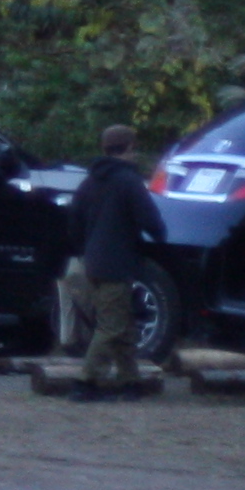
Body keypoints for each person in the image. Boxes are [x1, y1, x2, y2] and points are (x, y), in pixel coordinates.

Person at [65, 125, 168, 398]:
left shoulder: (90, 182)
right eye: (135, 148)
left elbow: (74, 221)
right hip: (117, 263)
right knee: (111, 327)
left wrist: (84, 249)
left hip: (93, 262)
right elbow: (150, 219)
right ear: (129, 148)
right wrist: (161, 237)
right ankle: (85, 382)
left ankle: (129, 381)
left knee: (122, 322)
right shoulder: (128, 181)